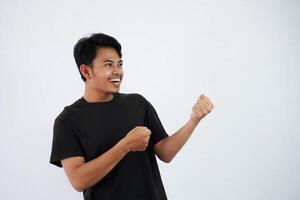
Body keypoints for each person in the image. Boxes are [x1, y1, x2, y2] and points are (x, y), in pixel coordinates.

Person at [49, 33, 214, 200]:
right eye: (108, 65)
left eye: (119, 64)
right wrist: (125, 146)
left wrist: (193, 120)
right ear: (86, 70)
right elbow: (78, 180)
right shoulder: (67, 121)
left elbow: (165, 153)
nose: (117, 71)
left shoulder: (137, 103)